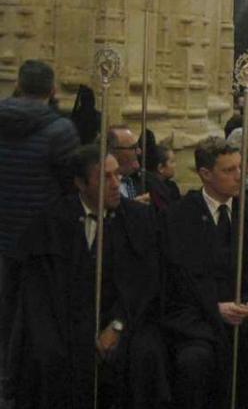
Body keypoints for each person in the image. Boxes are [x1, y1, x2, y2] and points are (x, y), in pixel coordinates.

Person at [9, 145, 168, 408]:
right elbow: (41, 292)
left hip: (123, 316)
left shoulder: (138, 219)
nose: (116, 184)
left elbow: (144, 282)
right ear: (81, 183)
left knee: (145, 354)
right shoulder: (53, 223)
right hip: (67, 320)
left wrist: (117, 325)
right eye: (105, 177)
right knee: (47, 355)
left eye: (118, 175)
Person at [160, 137, 248, 408]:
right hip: (198, 316)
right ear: (205, 174)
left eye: (239, 168)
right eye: (229, 170)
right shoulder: (177, 218)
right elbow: (177, 280)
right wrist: (215, 308)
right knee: (194, 360)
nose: (238, 176)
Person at [0, 60, 80, 398]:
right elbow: (70, 184)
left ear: (18, 84)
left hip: (4, 229)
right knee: (39, 310)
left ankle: (5, 373)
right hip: (42, 234)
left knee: (6, 303)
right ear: (52, 89)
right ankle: (24, 381)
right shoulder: (61, 130)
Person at [109, 126, 148, 201]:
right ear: (114, 151)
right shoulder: (103, 185)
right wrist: (134, 206)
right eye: (133, 147)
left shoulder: (142, 179)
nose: (139, 151)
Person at [145, 144, 182, 211]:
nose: (175, 165)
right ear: (160, 168)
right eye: (172, 162)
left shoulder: (172, 186)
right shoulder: (149, 189)